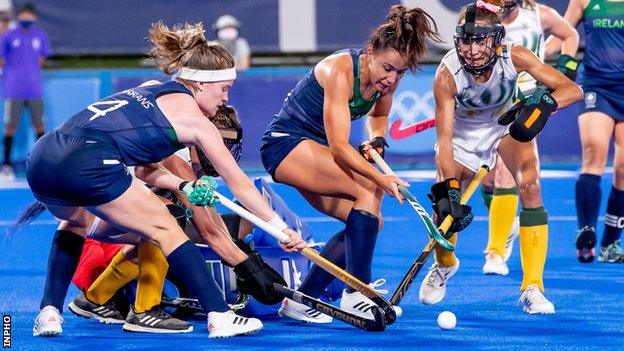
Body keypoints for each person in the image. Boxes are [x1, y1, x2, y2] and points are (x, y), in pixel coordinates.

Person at [28, 22, 305, 338]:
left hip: (43, 156)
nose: (225, 100)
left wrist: (183, 185)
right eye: (224, 88)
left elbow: (146, 169)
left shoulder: (151, 88)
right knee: (166, 227)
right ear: (200, 84)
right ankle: (219, 315)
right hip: (90, 161)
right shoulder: (197, 124)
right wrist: (279, 228)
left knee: (74, 223)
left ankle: (49, 312)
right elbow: (240, 183)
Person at [260, 5, 442, 323]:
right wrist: (383, 179)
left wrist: (378, 140)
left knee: (367, 223)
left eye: (399, 73)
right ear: (370, 52)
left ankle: (303, 300)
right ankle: (358, 292)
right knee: (371, 189)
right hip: (284, 145)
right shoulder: (339, 70)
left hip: (311, 149)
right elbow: (341, 148)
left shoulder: (387, 79)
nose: (391, 78)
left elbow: (380, 115)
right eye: (388, 68)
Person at [417, 0, 582, 314]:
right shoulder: (446, 75)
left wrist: (543, 103)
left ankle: (533, 287)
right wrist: (449, 187)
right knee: (443, 209)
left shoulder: (515, 55)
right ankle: (445, 264)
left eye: (479, 40)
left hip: (504, 124)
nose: (472, 49)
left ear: (496, 40)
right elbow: (445, 141)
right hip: (463, 136)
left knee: (531, 187)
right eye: (465, 40)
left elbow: (571, 89)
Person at [480, 0, 579, 275]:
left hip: (525, 106)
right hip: (490, 103)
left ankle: (495, 252)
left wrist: (563, 74)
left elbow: (571, 35)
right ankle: (505, 221)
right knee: (487, 180)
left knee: (505, 174)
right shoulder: (483, 19)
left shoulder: (539, 15)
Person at [560, 0, 624, 263]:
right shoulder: (584, 0)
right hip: (597, 87)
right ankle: (587, 229)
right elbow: (565, 32)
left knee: (623, 170)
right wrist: (534, 56)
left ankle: (610, 244)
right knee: (594, 151)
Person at [0, 3, 51, 180]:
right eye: (23, 15)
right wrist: (13, 74)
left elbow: (42, 58)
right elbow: (1, 58)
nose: (26, 19)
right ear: (18, 16)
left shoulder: (40, 35)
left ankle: (41, 164)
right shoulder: (8, 36)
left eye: (30, 15)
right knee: (10, 127)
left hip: (34, 90)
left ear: (35, 17)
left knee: (39, 126)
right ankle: (6, 165)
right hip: (13, 90)